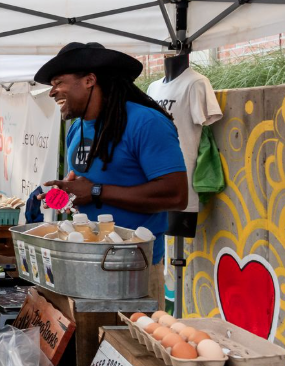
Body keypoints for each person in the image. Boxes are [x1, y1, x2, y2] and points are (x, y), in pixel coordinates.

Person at [36, 42, 188, 308]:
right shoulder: (77, 129)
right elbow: (87, 185)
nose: (52, 92)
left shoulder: (146, 123)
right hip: (84, 265)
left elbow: (176, 195)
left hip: (134, 270)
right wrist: (66, 195)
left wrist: (96, 191)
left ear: (89, 80)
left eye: (58, 82)